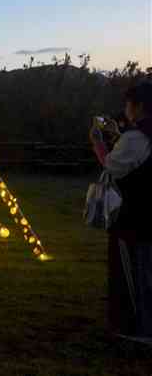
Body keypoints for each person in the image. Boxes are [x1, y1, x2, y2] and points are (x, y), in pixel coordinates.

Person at [90, 82, 152, 343]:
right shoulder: (142, 136)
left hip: (135, 217)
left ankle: (137, 328)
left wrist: (98, 144)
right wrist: (119, 137)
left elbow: (113, 166)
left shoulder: (137, 137)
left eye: (128, 104)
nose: (125, 109)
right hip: (148, 213)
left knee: (134, 271)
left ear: (138, 106)